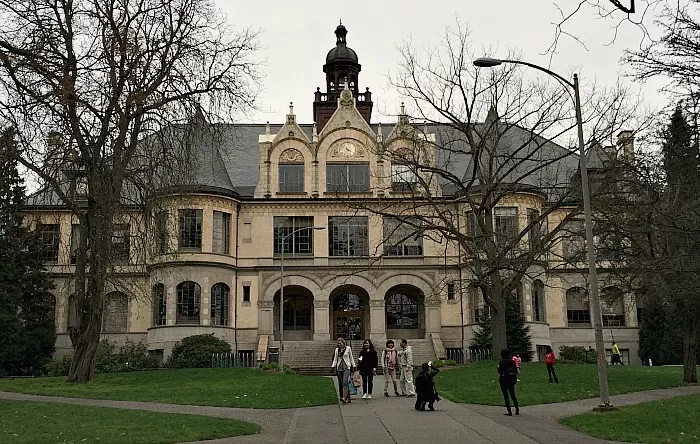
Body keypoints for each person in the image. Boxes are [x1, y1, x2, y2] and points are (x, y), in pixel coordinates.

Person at [330, 337, 356, 403]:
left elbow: (351, 357)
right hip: (339, 367)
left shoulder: (348, 349)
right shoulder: (337, 350)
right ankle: (348, 397)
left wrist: (354, 365)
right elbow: (335, 359)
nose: (339, 345)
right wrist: (333, 366)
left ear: (343, 343)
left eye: (340, 343)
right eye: (338, 343)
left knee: (345, 381)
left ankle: (344, 397)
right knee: (342, 383)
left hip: (346, 367)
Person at [497, 349, 519, 416]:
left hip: (503, 379)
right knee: (512, 394)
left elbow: (500, 371)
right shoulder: (512, 361)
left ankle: (509, 410)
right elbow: (515, 370)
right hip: (511, 379)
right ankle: (517, 409)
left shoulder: (502, 362)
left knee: (506, 395)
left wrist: (498, 368)